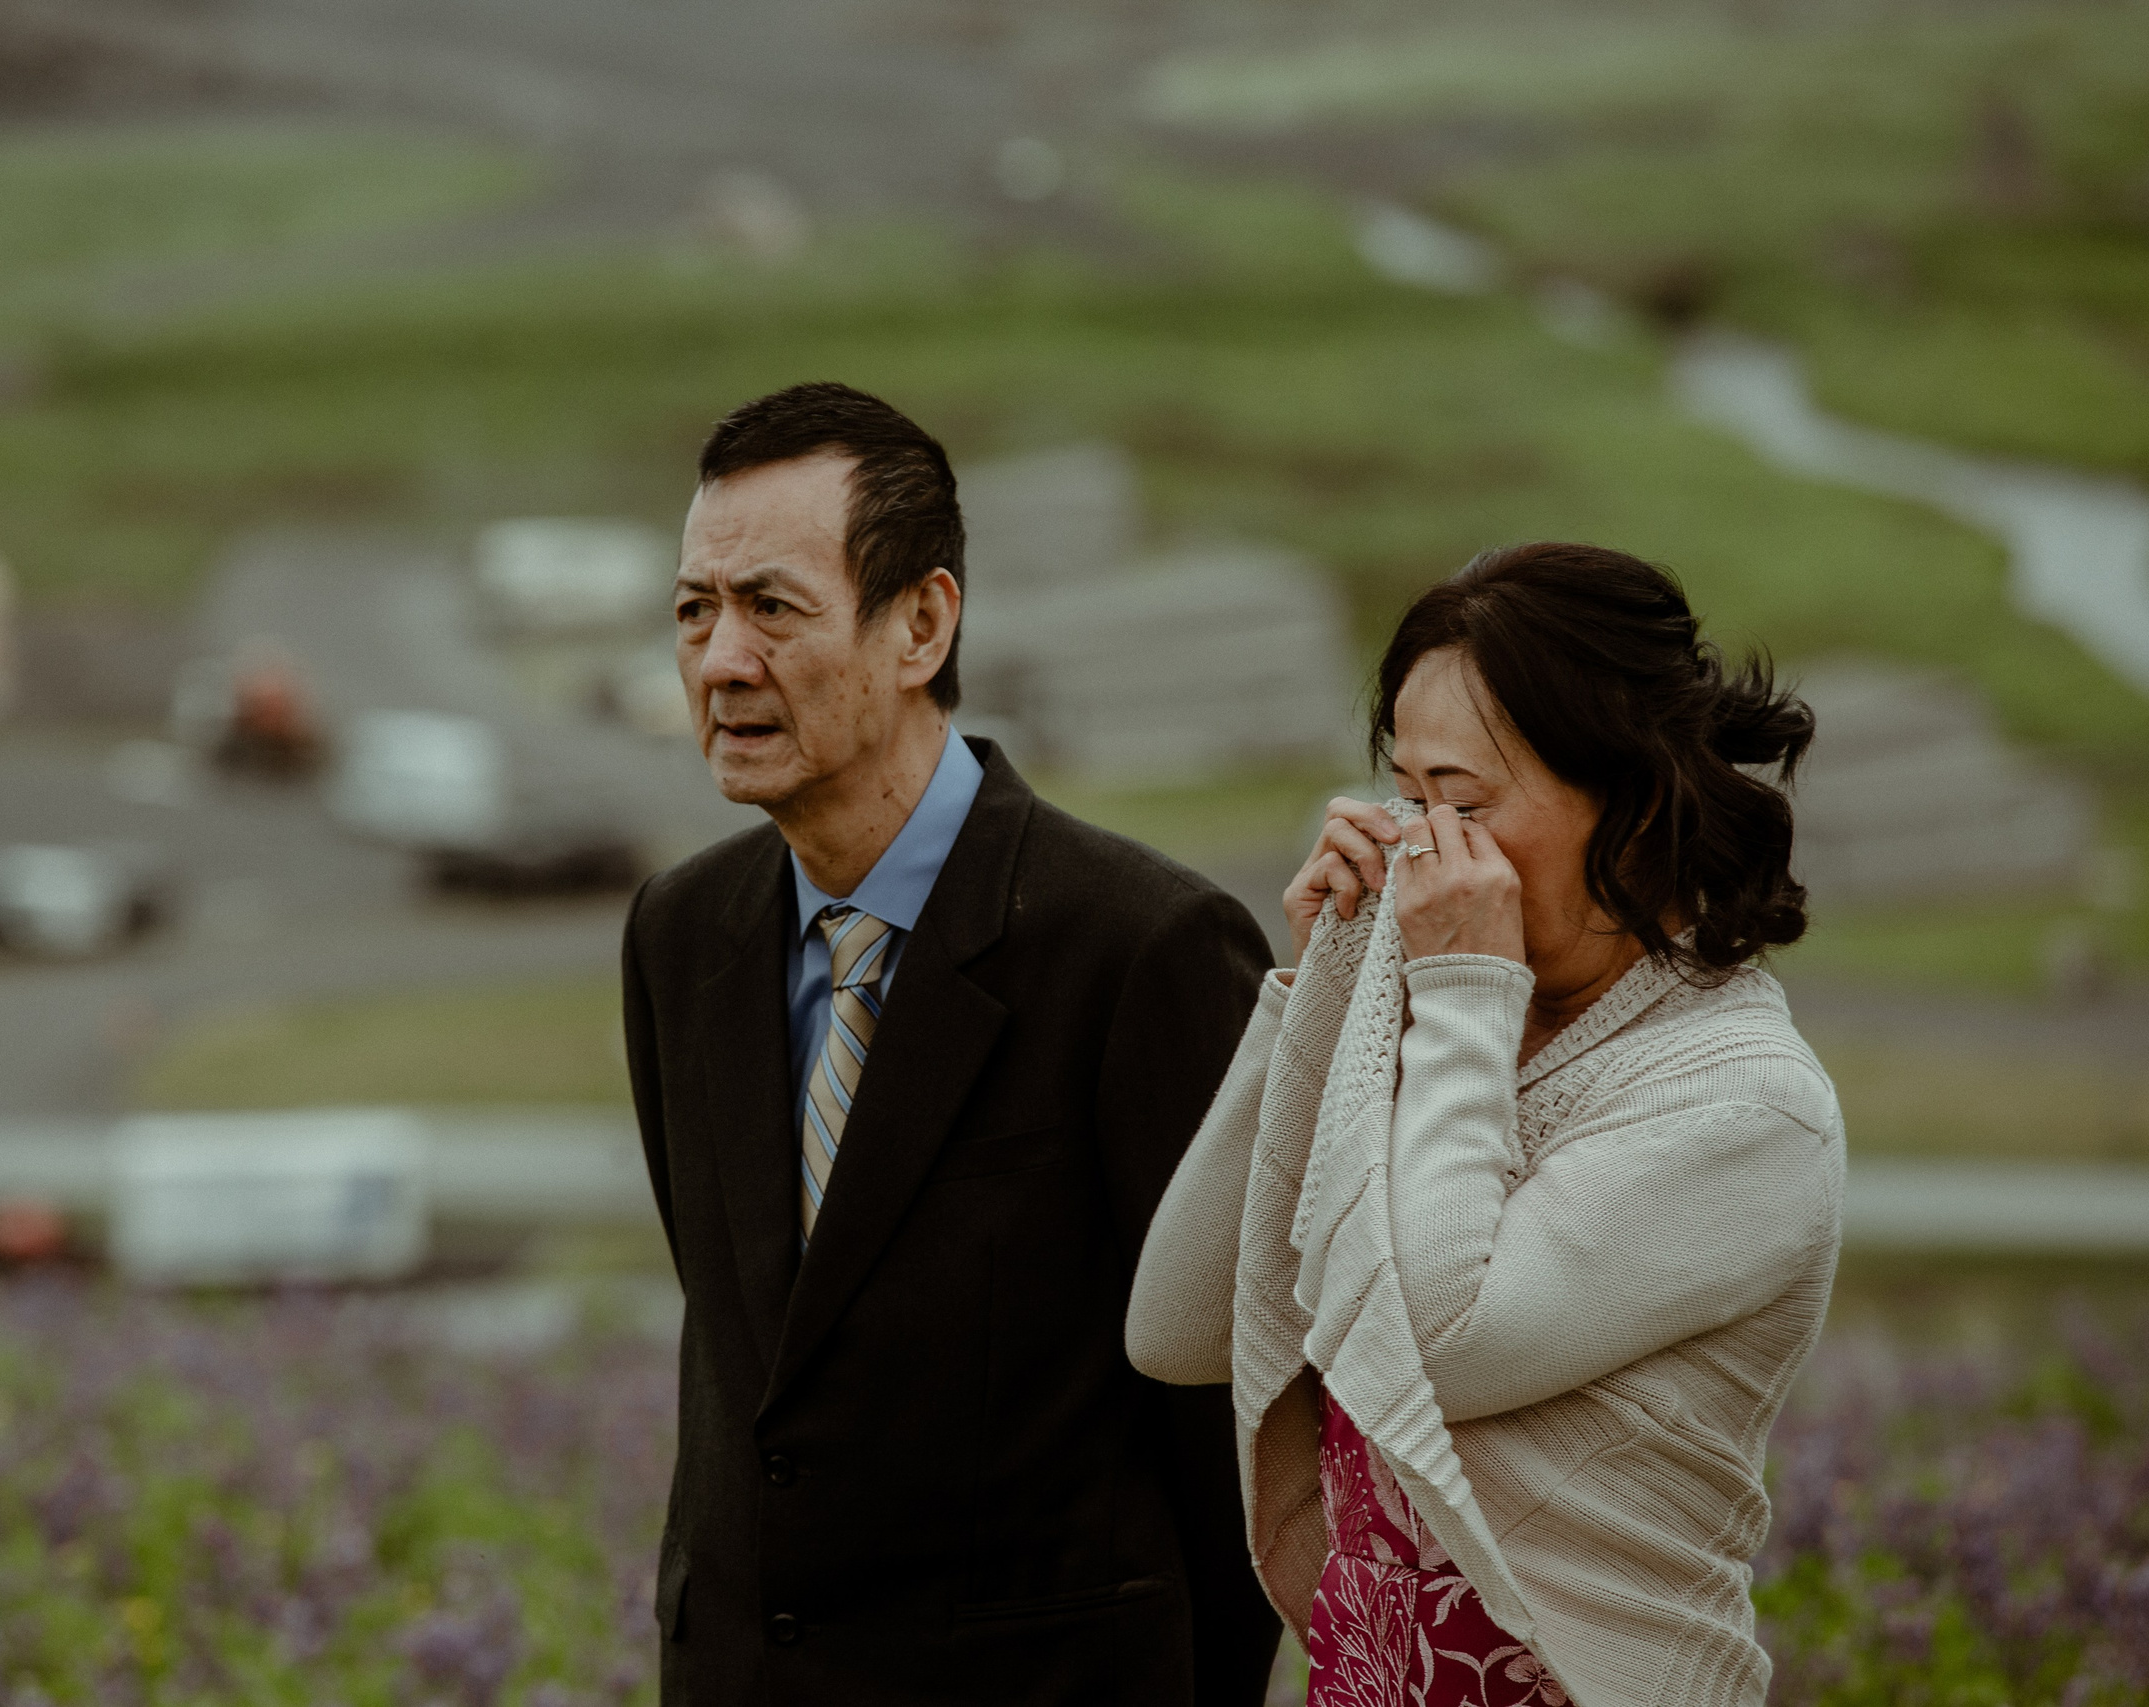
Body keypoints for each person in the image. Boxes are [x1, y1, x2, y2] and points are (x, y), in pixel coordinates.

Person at [622, 382, 1286, 1705]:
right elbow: (749, 1351)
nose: (719, 661)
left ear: (921, 621)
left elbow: (1234, 1435)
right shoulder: (680, 934)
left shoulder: (1145, 949)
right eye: (695, 609)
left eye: (771, 605)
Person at [1126, 542, 1846, 1707]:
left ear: (1635, 796)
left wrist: (1461, 996)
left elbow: (1436, 1350)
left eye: (1460, 804)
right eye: (1405, 799)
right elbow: (1178, 1326)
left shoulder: (1748, 1103)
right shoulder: (1446, 1027)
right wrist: (1309, 996)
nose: (1419, 845)